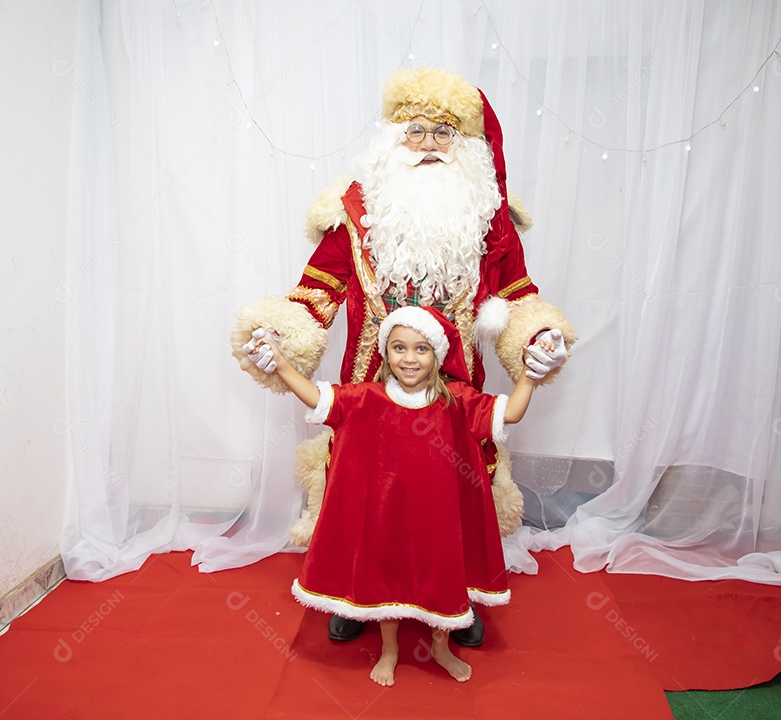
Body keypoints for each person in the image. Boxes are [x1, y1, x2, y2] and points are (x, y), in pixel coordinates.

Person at [232, 66, 577, 645]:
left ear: (467, 146)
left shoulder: (489, 218)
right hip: (370, 389)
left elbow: (519, 295)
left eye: (444, 133)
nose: (429, 145)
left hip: (454, 390)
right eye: (415, 131)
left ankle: (458, 593)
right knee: (365, 490)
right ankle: (356, 592)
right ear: (392, 138)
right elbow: (317, 291)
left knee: (453, 491)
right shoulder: (352, 212)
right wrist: (277, 339)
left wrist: (538, 340)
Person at [247, 306, 553, 686]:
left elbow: (511, 414)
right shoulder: (366, 397)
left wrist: (530, 376)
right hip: (388, 518)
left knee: (443, 579)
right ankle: (389, 650)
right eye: (399, 347)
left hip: (439, 521)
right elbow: (316, 397)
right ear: (385, 352)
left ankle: (440, 647)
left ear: (437, 355)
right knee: (387, 582)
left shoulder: (458, 399)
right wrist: (280, 364)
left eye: (421, 348)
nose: (409, 358)